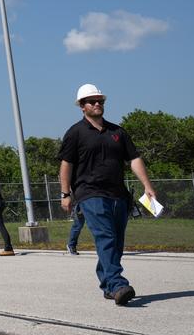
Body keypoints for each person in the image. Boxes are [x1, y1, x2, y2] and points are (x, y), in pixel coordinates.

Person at [59, 84, 157, 306]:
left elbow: (134, 159)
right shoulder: (75, 133)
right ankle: (118, 283)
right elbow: (67, 164)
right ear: (82, 107)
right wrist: (66, 193)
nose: (97, 104)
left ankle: (108, 283)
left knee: (116, 242)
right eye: (92, 101)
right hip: (89, 193)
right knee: (106, 238)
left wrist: (147, 186)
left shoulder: (117, 132)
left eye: (100, 101)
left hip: (118, 195)